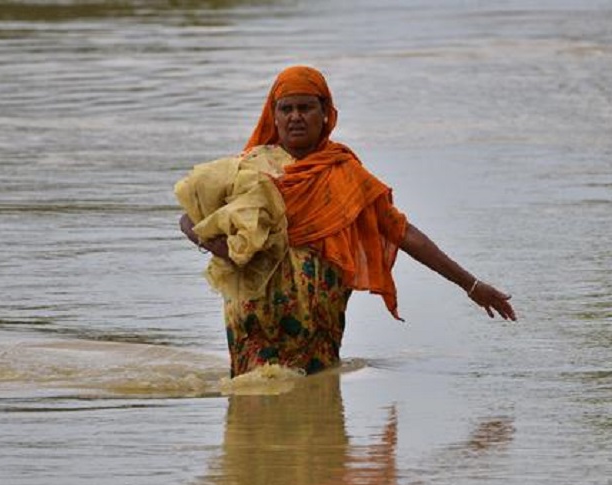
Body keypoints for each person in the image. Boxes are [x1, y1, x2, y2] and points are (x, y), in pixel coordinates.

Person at [178, 65, 515, 377]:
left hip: (318, 323)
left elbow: (403, 232)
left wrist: (470, 285)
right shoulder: (247, 170)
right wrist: (222, 248)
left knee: (318, 408)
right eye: (286, 108)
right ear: (274, 116)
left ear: (325, 114)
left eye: (306, 108)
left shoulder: (344, 173)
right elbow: (188, 218)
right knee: (250, 416)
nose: (296, 117)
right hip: (252, 318)